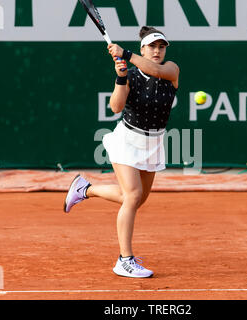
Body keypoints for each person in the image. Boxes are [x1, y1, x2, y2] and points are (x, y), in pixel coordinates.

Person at [63, 26, 180, 278]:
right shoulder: (132, 75)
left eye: (161, 47)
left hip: (154, 143)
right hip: (127, 140)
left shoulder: (171, 70)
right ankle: (124, 260)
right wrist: (121, 78)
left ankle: (85, 189)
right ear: (143, 49)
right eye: (152, 46)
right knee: (133, 195)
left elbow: (157, 70)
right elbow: (116, 107)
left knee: (137, 199)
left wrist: (124, 53)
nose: (157, 51)